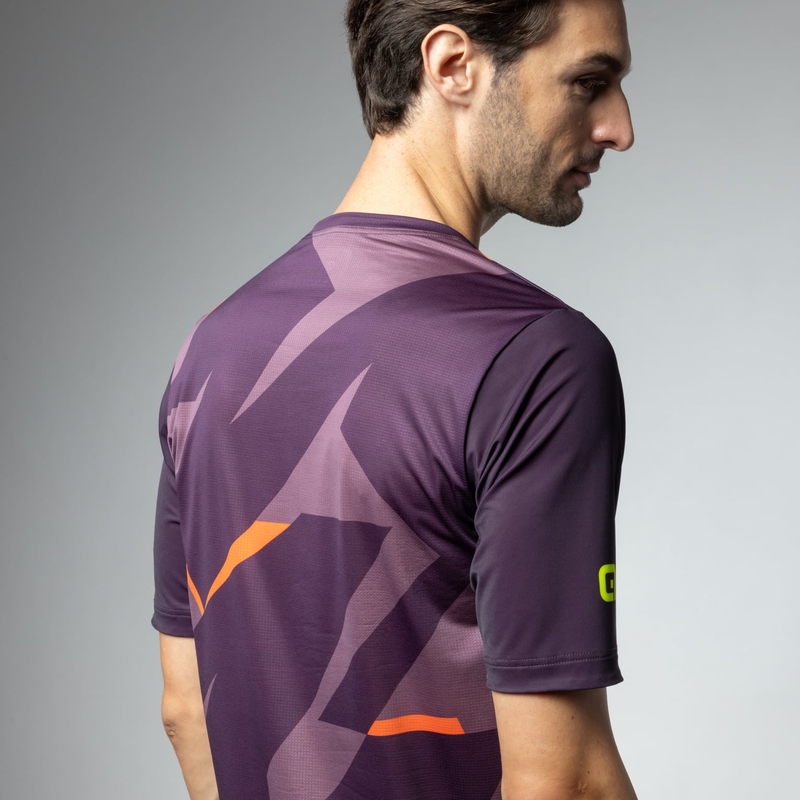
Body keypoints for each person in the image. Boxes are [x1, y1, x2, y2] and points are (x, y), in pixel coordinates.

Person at [152, 0, 638, 797]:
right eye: (589, 82)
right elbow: (566, 781)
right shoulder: (536, 358)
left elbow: (186, 709)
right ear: (452, 65)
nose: (620, 128)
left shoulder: (209, 350)